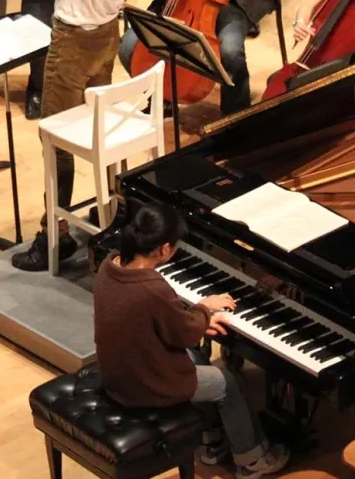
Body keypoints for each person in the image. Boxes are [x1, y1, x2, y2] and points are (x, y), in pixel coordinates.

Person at [92, 202, 290, 479]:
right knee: (227, 382)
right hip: (144, 384)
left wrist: (197, 318)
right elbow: (183, 333)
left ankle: (211, 441)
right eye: (175, 246)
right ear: (163, 249)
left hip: (118, 371)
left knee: (196, 357)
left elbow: (166, 325)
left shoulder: (110, 264)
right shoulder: (151, 288)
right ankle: (252, 459)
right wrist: (204, 311)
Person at [11, 0, 138, 272]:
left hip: (75, 39)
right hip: (108, 30)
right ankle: (110, 209)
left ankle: (54, 235)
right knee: (94, 125)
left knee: (54, 138)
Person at [118, 0, 282, 116]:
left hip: (231, 2)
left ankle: (235, 115)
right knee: (129, 45)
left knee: (230, 53)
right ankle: (161, 98)